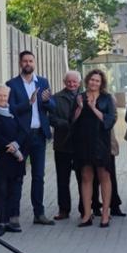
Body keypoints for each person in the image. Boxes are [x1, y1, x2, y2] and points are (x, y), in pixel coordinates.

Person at [6, 52, 54, 225]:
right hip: (21, 136)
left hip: (39, 135)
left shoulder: (42, 82)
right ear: (20, 63)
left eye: (30, 60)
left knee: (39, 176)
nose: (28, 63)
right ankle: (14, 216)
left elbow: (52, 106)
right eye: (25, 61)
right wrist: (28, 103)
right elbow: (10, 109)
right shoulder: (11, 84)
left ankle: (39, 214)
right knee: (18, 176)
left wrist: (47, 101)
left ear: (35, 62)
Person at [73, 69, 119, 228]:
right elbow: (72, 121)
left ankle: (105, 213)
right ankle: (87, 214)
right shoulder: (79, 97)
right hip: (83, 142)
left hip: (101, 142)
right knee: (86, 177)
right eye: (92, 80)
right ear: (87, 81)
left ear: (102, 83)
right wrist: (79, 108)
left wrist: (93, 107)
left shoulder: (107, 98)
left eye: (97, 81)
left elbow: (109, 121)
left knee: (104, 176)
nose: (94, 83)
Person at [0, 85, 29, 232]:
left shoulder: (12, 111)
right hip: (0, 159)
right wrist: (10, 147)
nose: (3, 99)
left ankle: (12, 221)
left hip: (16, 159)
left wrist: (15, 145)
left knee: (15, 191)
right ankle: (1, 223)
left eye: (5, 96)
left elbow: (23, 131)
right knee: (2, 191)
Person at [50, 70, 83, 221]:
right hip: (62, 144)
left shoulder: (85, 96)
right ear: (64, 82)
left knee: (83, 178)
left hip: (80, 145)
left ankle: (85, 209)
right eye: (69, 81)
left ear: (79, 83)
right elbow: (52, 119)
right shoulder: (56, 98)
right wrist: (68, 125)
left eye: (74, 82)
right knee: (63, 180)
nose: (72, 84)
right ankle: (64, 209)